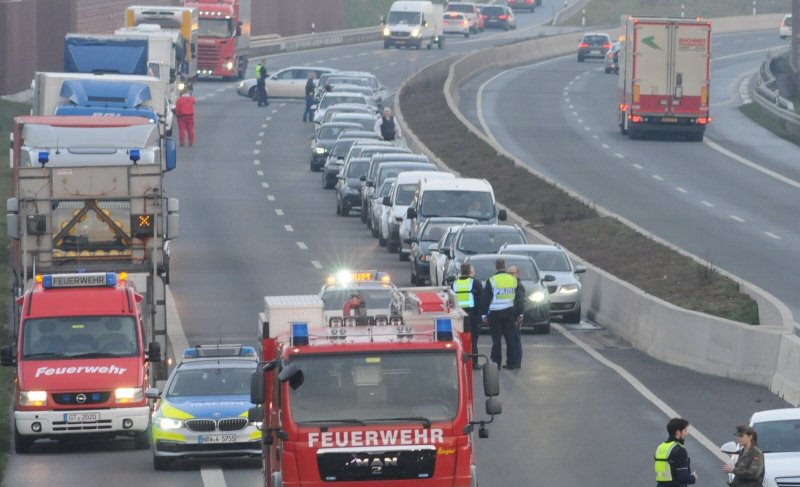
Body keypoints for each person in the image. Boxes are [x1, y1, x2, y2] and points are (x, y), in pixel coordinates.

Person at [480, 257, 525, 369]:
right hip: (509, 313)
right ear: (504, 266)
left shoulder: (492, 280)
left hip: (495, 314)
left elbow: (486, 299)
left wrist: (484, 314)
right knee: (510, 338)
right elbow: (518, 298)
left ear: (496, 267)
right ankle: (512, 362)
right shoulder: (513, 280)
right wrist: (519, 313)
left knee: (496, 340)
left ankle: (496, 363)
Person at [452, 263, 483, 369]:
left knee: (459, 340)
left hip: (458, 316)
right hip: (473, 316)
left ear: (460, 271)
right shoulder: (475, 283)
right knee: (473, 341)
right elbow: (481, 300)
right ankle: (474, 363)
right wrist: (481, 314)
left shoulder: (454, 284)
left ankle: (460, 362)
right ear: (470, 271)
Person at [654, 417, 698, 487]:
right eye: (685, 430)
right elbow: (683, 478)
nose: (687, 433)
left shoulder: (660, 447)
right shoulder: (679, 450)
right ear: (678, 432)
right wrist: (693, 478)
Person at [507, 265, 527, 330]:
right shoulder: (507, 284)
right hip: (508, 314)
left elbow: (520, 301)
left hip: (515, 316)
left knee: (515, 336)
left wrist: (520, 315)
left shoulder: (519, 286)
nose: (510, 275)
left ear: (517, 274)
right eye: (508, 273)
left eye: (512, 273)